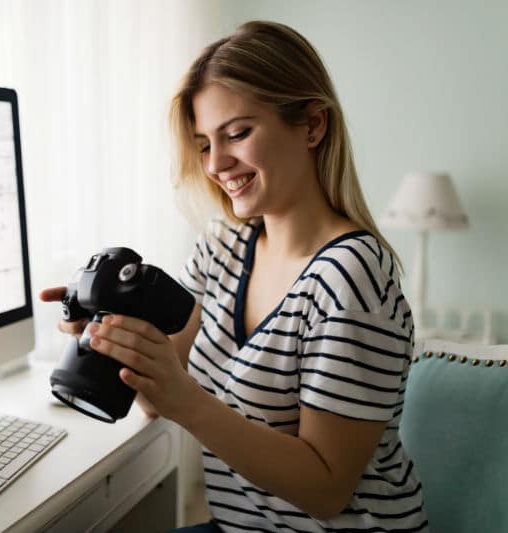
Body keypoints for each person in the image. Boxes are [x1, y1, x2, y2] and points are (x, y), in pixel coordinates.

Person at [41, 20, 427, 532]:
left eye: (238, 133)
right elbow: (159, 398)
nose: (217, 163)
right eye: (203, 144)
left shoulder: (352, 277)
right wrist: (106, 338)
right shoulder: (223, 246)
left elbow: (327, 489)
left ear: (313, 125)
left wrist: (188, 402)